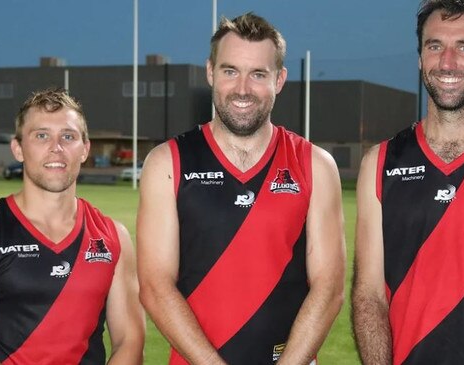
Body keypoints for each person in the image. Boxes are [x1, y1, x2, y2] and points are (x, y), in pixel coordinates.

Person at [137, 13, 346, 365]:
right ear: (210, 72)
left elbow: (329, 288)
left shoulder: (316, 165)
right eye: (230, 71)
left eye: (258, 74)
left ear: (279, 79)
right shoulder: (167, 163)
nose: (243, 88)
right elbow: (155, 287)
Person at [0, 88, 145, 364]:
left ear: (85, 149)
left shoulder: (113, 237)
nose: (56, 147)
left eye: (68, 136)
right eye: (41, 136)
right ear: (18, 149)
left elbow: (130, 342)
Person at [352, 1, 464, 364]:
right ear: (421, 58)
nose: (448, 62)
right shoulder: (380, 162)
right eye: (435, 46)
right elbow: (369, 295)